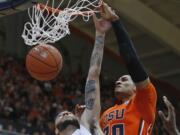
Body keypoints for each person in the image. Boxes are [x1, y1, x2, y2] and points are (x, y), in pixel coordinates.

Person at [99, 3, 157, 135]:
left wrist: (115, 21)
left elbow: (131, 59)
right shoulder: (106, 114)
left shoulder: (144, 102)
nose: (118, 82)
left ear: (136, 87)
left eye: (124, 79)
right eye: (118, 80)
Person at [54, 14, 111, 135]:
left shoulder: (86, 125)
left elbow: (93, 73)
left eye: (67, 113)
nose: (65, 112)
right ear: (56, 131)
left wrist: (100, 34)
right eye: (60, 115)